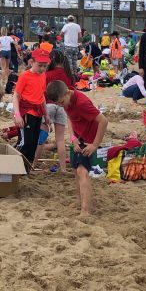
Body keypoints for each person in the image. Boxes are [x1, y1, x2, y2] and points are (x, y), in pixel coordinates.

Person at [45, 79, 107, 218]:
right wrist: (73, 138)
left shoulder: (82, 103)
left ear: (68, 92)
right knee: (75, 170)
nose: (61, 105)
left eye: (61, 102)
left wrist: (95, 145)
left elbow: (104, 121)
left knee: (82, 171)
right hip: (78, 139)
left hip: (89, 140)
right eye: (58, 104)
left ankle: (85, 211)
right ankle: (79, 201)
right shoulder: (67, 101)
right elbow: (70, 117)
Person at [12, 47, 50, 171]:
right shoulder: (25, 76)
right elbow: (16, 96)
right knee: (25, 142)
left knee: (34, 142)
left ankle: (25, 168)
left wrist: (46, 114)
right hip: (26, 111)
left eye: (45, 66)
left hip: (38, 112)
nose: (43, 68)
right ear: (31, 62)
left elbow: (42, 96)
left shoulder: (43, 75)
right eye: (40, 65)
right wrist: (17, 115)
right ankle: (14, 164)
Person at [42, 49, 74, 174]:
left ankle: (32, 165)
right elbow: (72, 92)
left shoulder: (48, 74)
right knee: (60, 140)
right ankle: (63, 169)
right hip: (62, 107)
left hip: (49, 105)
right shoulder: (68, 75)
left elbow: (43, 92)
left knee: (42, 137)